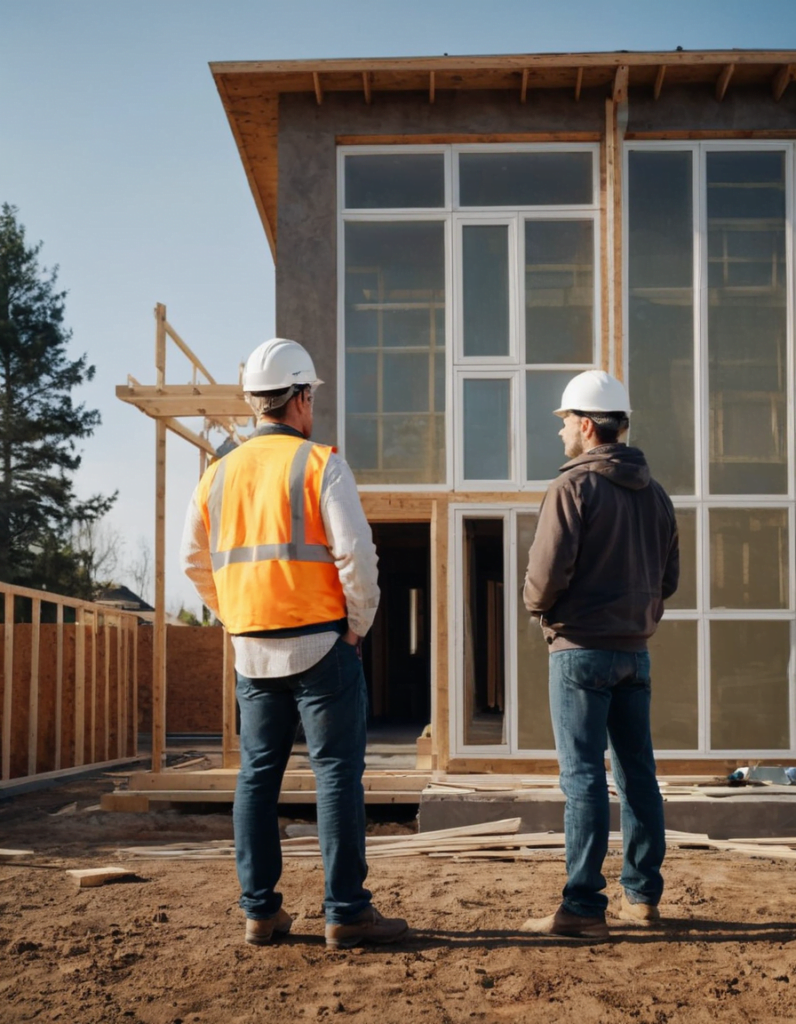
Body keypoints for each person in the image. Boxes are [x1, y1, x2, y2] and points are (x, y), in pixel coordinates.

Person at [181, 337, 408, 950]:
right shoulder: (318, 463)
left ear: (257, 403)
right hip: (320, 645)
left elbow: (192, 562)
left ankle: (260, 912)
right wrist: (357, 622)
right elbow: (356, 554)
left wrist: (235, 616)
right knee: (335, 775)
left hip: (253, 650)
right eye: (312, 398)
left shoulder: (217, 473)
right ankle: (346, 913)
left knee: (257, 776)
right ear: (301, 398)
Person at [521, 370, 678, 940]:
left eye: (565, 422)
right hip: (634, 655)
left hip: (580, 651)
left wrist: (541, 613)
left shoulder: (572, 488)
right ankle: (642, 898)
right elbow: (670, 578)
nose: (562, 432)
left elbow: (544, 577)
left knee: (583, 777)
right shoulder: (655, 494)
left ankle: (584, 909)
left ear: (587, 426)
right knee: (639, 774)